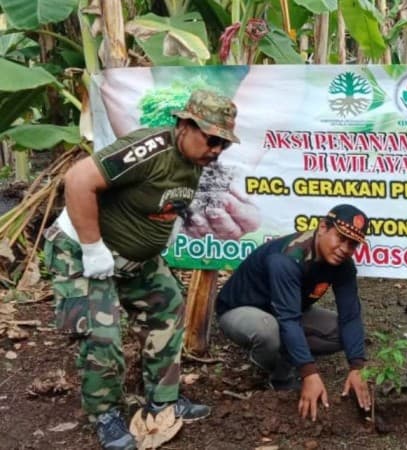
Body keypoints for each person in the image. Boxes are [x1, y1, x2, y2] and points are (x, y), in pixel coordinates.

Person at [44, 89, 239, 450]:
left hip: (135, 260)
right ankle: (104, 413)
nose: (216, 149)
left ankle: (163, 402)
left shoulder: (195, 162)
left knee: (168, 308)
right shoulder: (150, 148)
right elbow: (78, 180)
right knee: (102, 335)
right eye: (211, 139)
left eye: (223, 144)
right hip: (84, 251)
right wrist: (92, 247)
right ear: (184, 125)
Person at [215, 204, 372, 421]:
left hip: (287, 311)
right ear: (323, 227)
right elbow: (288, 319)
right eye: (340, 238)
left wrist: (357, 367)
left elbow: (351, 315)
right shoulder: (288, 258)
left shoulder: (343, 265)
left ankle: (288, 352)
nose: (345, 248)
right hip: (240, 310)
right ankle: (276, 375)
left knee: (340, 332)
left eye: (352, 244)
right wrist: (308, 372)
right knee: (268, 330)